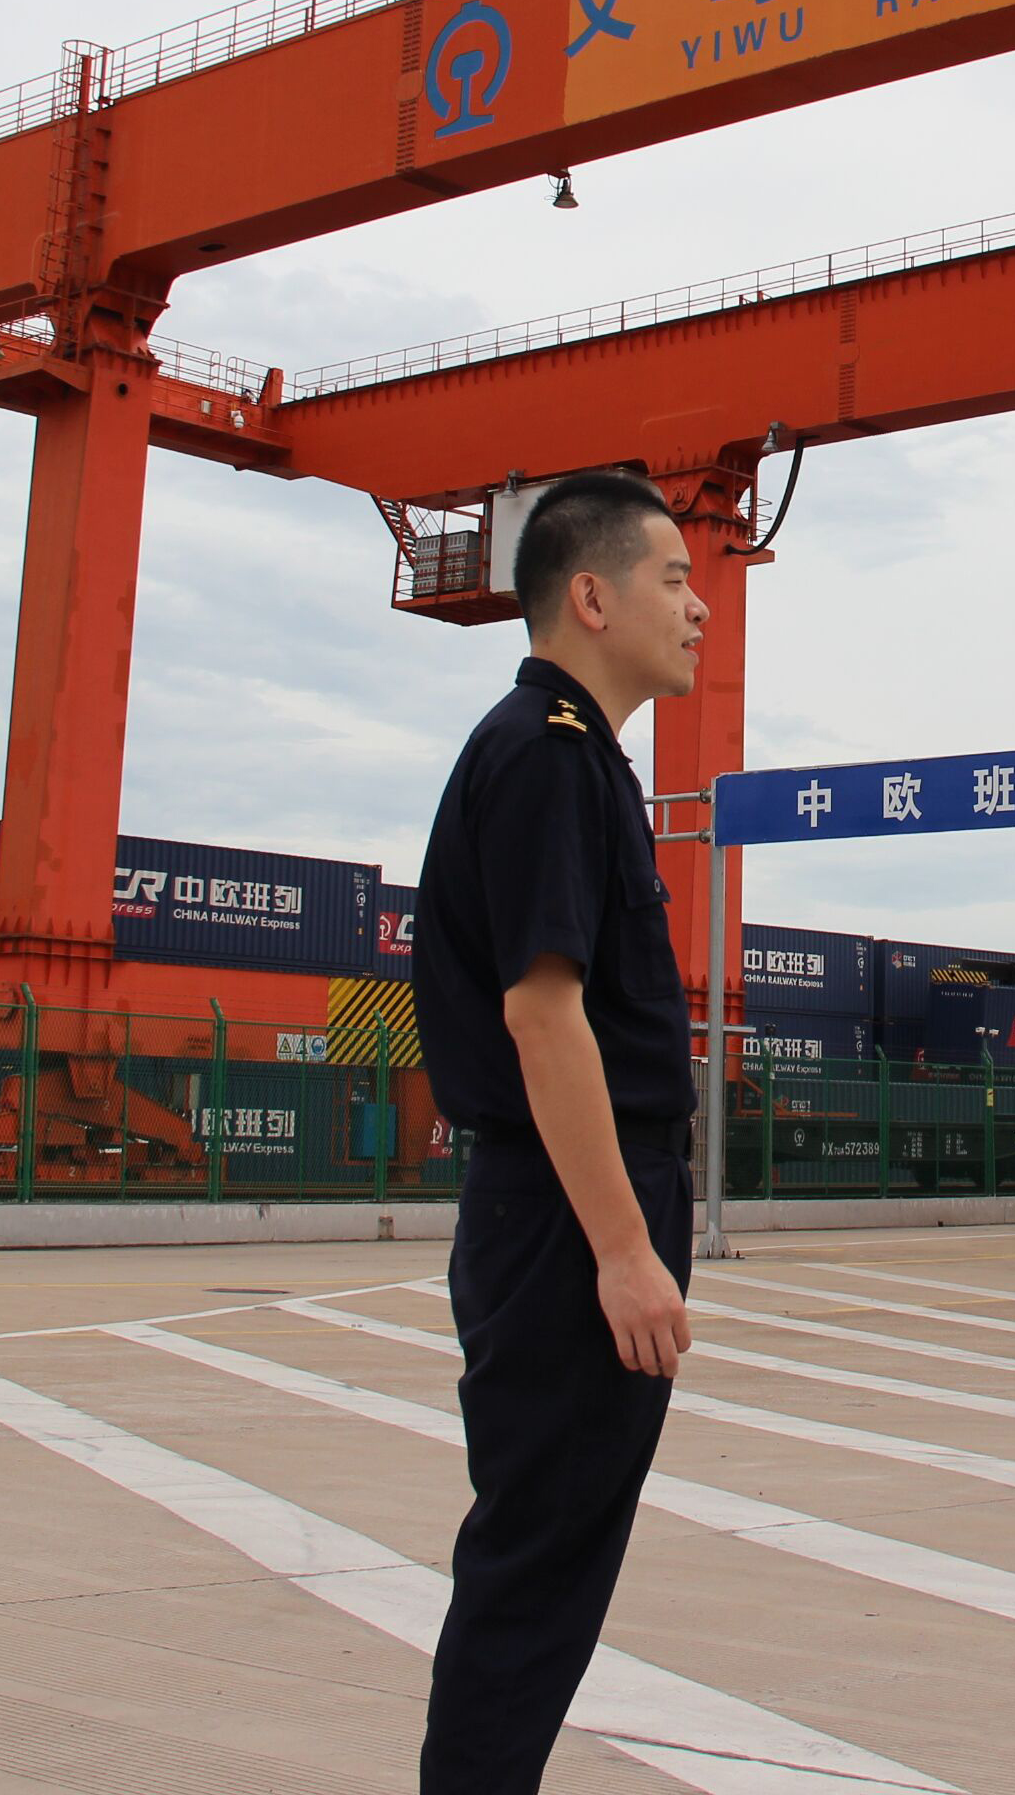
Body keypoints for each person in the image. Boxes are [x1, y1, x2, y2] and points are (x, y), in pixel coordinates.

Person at [409, 470, 708, 1793]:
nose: (699, 607)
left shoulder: (579, 758)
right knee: (535, 1572)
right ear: (592, 596)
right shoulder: (545, 755)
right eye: (674, 579)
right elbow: (544, 1018)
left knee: (548, 1565)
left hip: (565, 1208)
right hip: (566, 1218)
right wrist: (624, 1251)